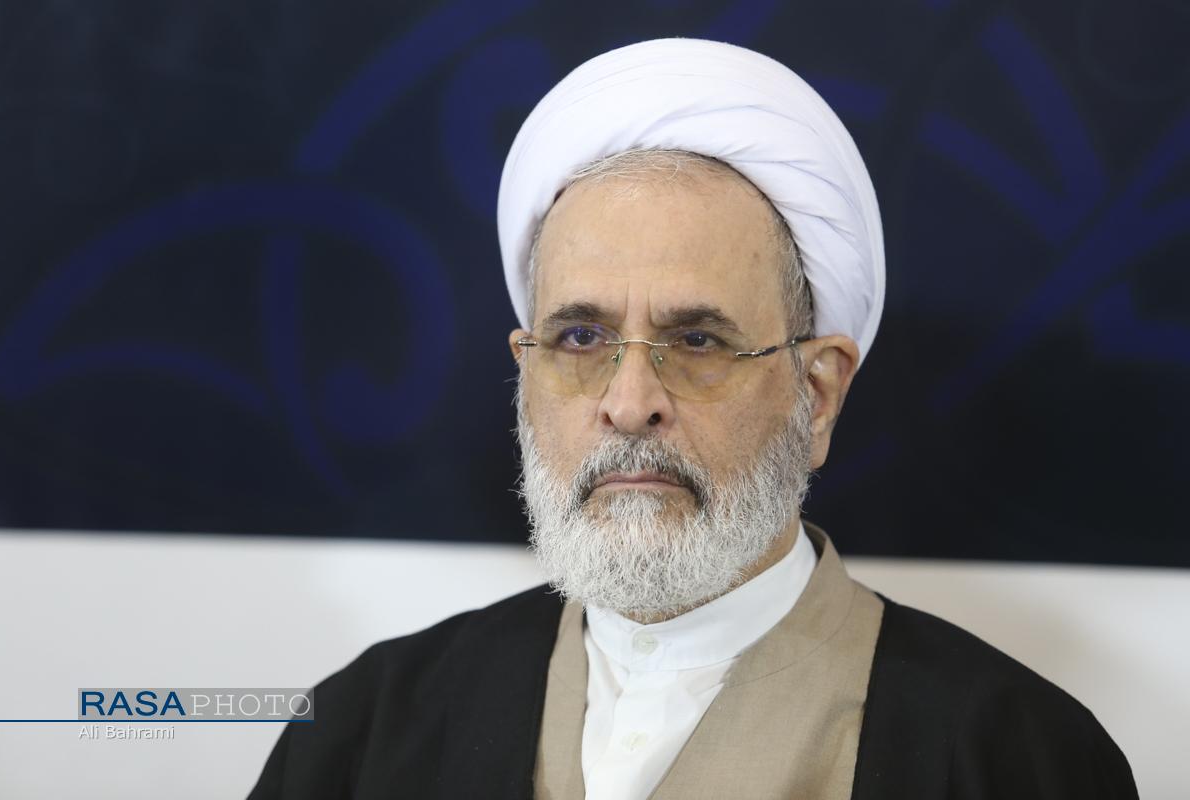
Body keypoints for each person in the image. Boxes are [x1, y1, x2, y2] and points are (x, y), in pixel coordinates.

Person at [249, 38, 1137, 800]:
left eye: (699, 340)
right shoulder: (364, 732)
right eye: (582, 336)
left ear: (817, 393)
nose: (630, 402)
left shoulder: (1014, 757)